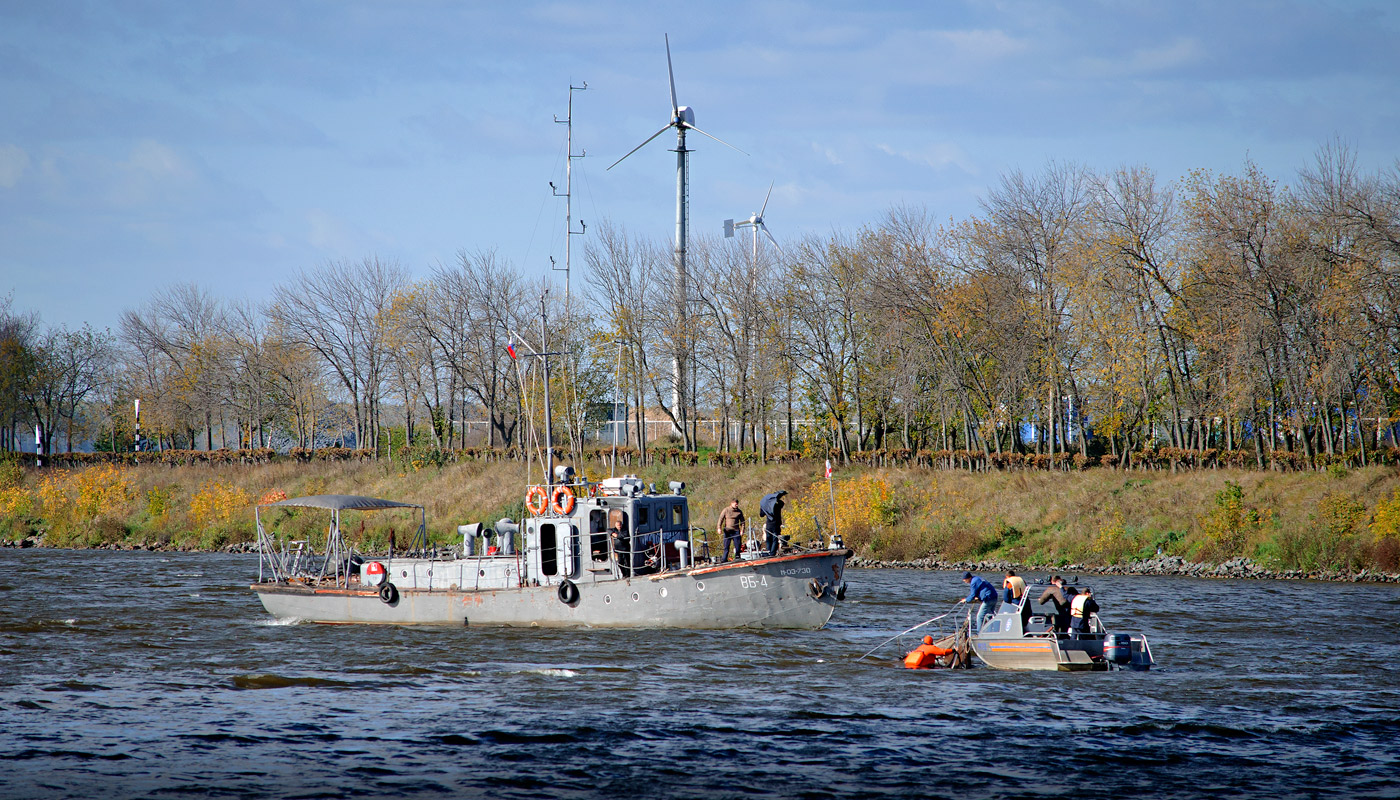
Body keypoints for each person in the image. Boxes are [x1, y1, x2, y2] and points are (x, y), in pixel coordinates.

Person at [716, 498, 745, 562]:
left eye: (737, 504)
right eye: (735, 504)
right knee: (726, 546)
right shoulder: (726, 510)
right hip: (728, 531)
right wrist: (719, 528)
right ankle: (724, 559)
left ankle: (737, 557)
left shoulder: (739, 512)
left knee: (738, 545)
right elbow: (721, 519)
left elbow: (743, 522)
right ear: (731, 503)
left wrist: (742, 530)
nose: (736, 505)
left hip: (736, 531)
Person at [759, 490, 786, 558]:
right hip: (776, 523)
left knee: (769, 539)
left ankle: (769, 551)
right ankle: (772, 553)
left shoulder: (766, 507)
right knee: (774, 539)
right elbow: (782, 503)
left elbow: (761, 515)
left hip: (769, 523)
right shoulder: (777, 505)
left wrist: (763, 508)